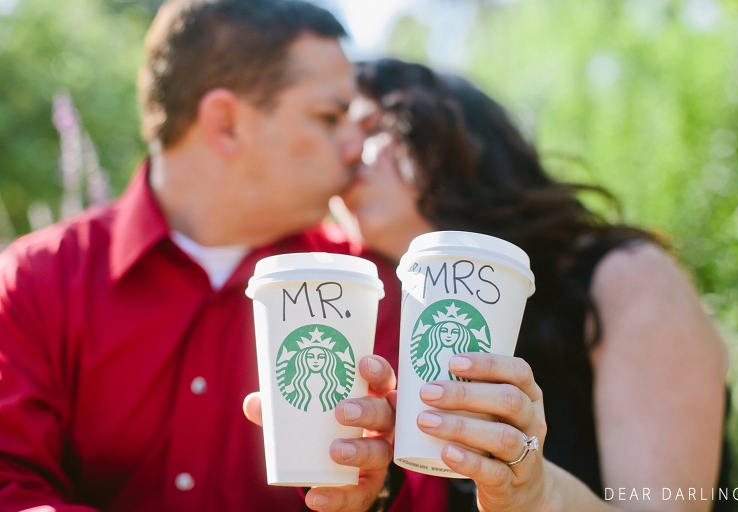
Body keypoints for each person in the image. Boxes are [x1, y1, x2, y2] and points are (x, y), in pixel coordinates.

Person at [0, 4, 438, 512]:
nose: (355, 147)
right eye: (330, 117)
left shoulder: (369, 289)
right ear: (226, 123)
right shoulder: (35, 282)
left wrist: (378, 493)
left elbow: (424, 493)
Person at [339, 59, 733, 511]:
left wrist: (538, 496)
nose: (348, 153)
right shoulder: (383, 310)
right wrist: (375, 492)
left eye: (370, 128)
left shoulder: (628, 278)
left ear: (448, 132)